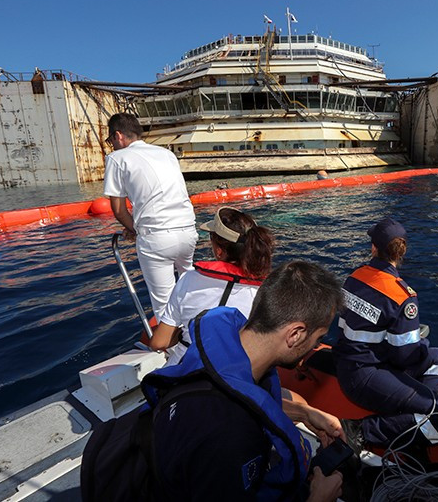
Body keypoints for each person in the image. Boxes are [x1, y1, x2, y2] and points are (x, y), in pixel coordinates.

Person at [143, 261, 347, 501]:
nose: (315, 346)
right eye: (318, 338)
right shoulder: (229, 438)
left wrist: (304, 413)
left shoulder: (222, 351)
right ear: (295, 334)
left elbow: (242, 397)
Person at [333, 218, 438, 452]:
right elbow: (405, 357)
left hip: (349, 365)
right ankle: (361, 431)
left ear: (374, 248)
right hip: (367, 375)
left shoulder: (354, 278)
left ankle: (418, 413)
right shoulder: (402, 296)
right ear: (402, 251)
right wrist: (420, 343)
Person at [148, 206, 274, 365]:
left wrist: (184, 333)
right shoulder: (264, 292)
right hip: (232, 374)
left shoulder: (188, 279)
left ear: (219, 251)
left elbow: (158, 342)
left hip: (182, 369)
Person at [103, 113, 198, 321]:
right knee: (189, 290)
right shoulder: (166, 154)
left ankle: (174, 341)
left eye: (111, 140)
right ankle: (199, 332)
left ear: (118, 136)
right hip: (187, 231)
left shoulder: (116, 158)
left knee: (164, 306)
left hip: (157, 238)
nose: (112, 145)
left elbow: (118, 210)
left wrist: (135, 230)